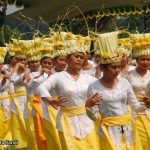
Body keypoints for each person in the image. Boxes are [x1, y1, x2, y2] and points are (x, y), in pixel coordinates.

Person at [85, 31, 149, 150]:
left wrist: (146, 105)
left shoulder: (124, 82)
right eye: (113, 67)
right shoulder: (94, 87)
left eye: (119, 67)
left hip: (129, 129)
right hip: (109, 131)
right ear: (103, 68)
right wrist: (88, 106)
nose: (117, 70)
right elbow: (93, 116)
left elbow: (135, 106)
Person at [37, 32, 101, 150]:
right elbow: (41, 87)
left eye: (81, 57)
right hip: (67, 121)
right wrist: (50, 99)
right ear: (67, 58)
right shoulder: (58, 77)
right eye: (76, 56)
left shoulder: (88, 78)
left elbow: (102, 89)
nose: (79, 60)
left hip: (87, 120)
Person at [127, 33, 150, 150]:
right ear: (136, 60)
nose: (146, 62)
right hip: (133, 112)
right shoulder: (128, 75)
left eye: (148, 59)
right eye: (143, 59)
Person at [0, 47, 12, 150]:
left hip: (6, 103)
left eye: (0, 63)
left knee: (6, 125)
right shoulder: (5, 77)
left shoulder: (6, 76)